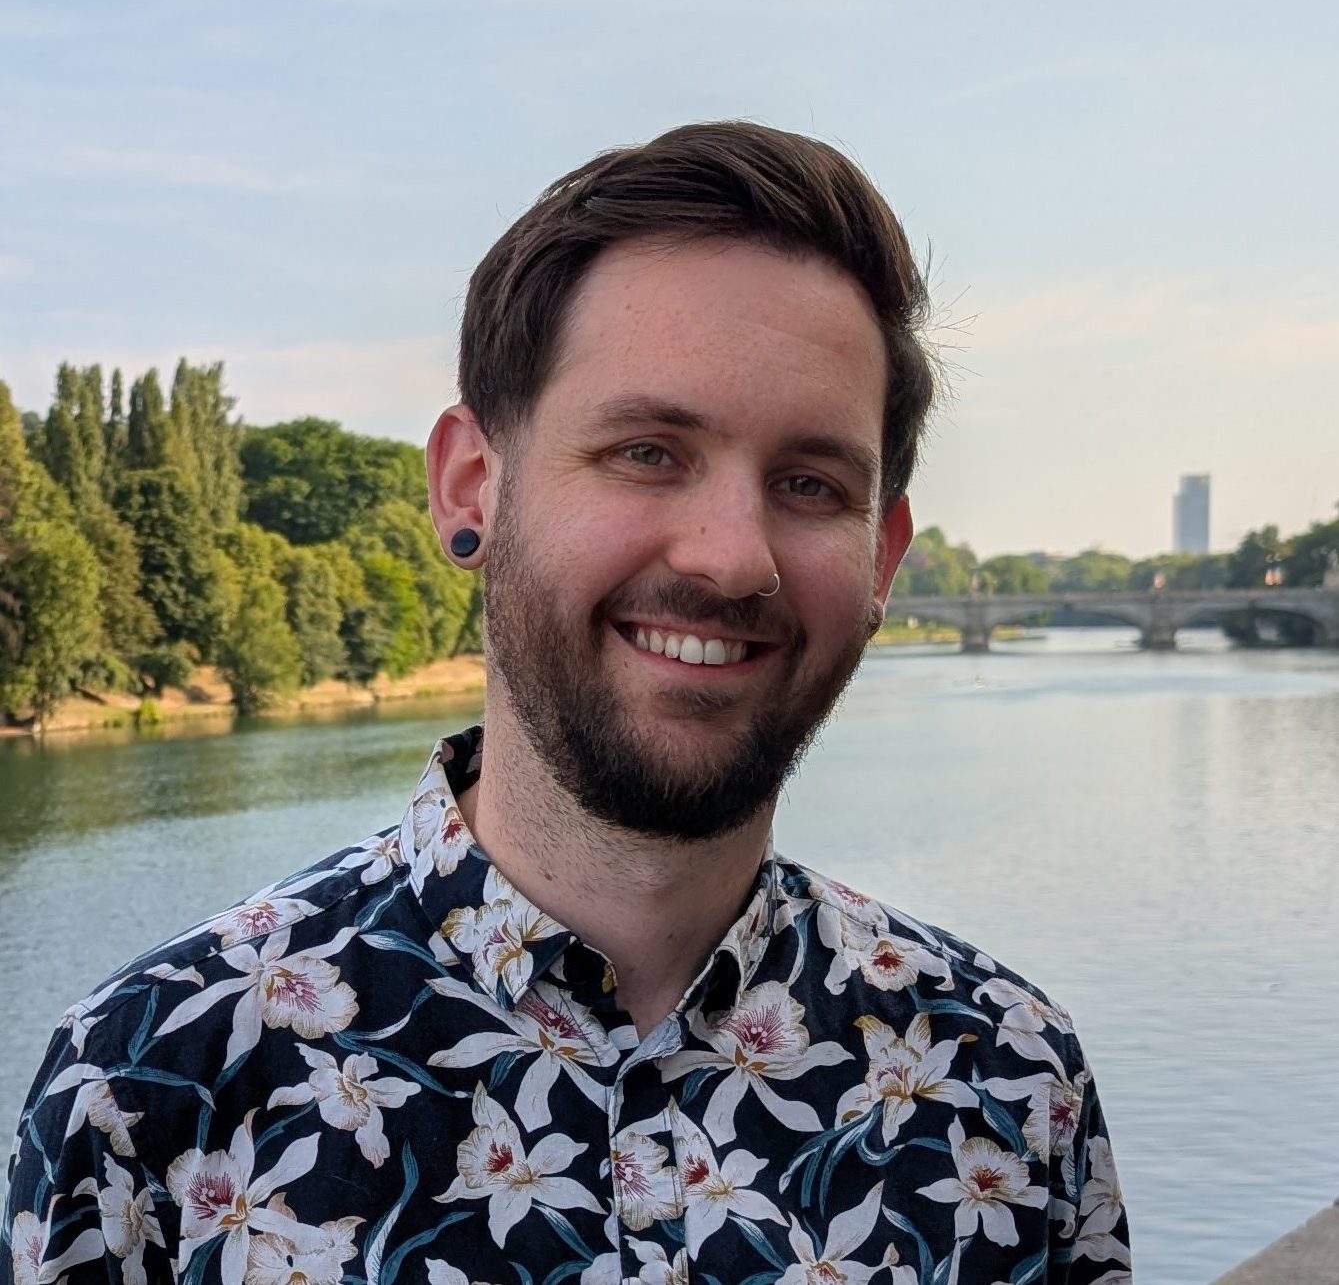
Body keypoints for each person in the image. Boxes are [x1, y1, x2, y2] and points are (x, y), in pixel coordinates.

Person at [3, 122, 1132, 1285]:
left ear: (883, 555)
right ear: (470, 487)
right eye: (647, 451)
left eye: (809, 484)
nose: (731, 558)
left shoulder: (1003, 1079)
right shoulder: (151, 1085)